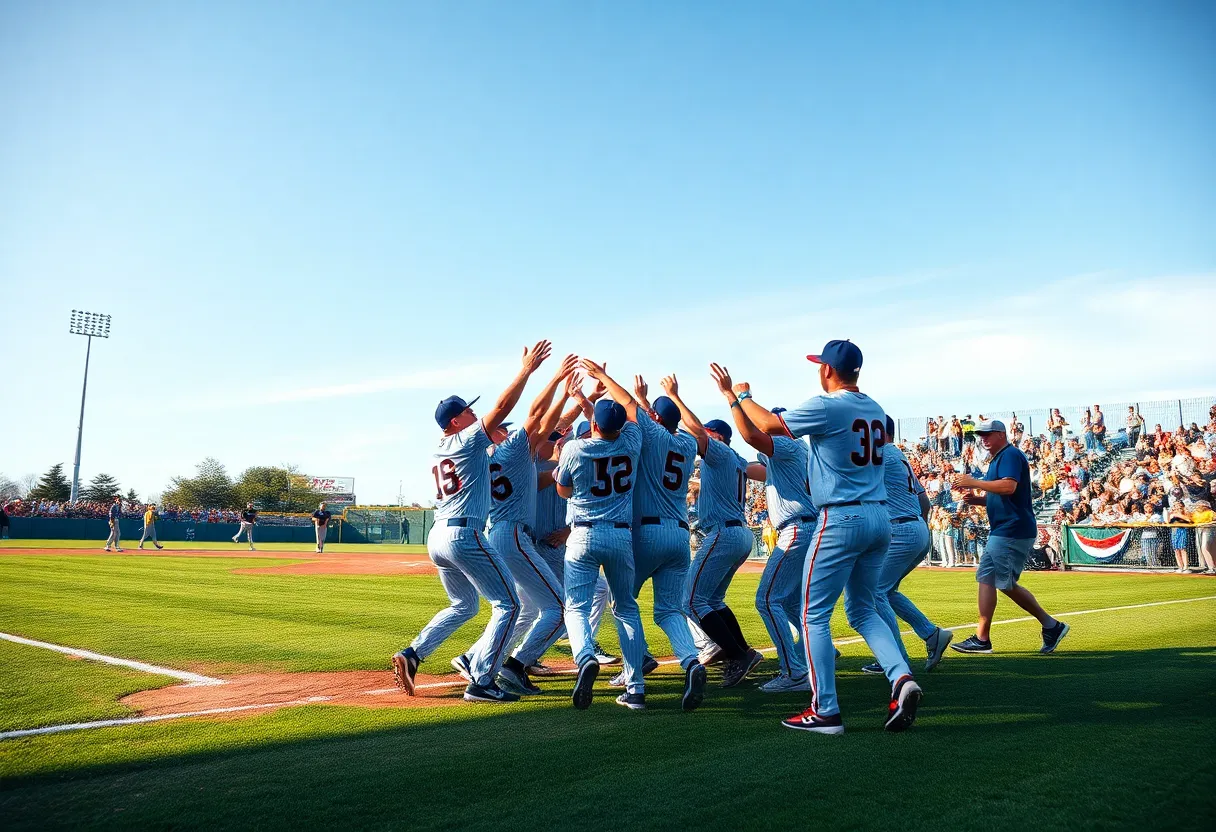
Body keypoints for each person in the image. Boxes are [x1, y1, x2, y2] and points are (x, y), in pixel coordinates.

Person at [731, 339, 922, 734]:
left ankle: (826, 710)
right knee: (863, 609)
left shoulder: (828, 405)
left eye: (821, 365)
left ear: (828, 370)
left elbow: (767, 425)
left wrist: (741, 396)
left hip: (841, 516)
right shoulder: (874, 407)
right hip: (879, 516)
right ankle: (901, 676)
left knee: (813, 614)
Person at [392, 339, 550, 704]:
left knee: (464, 606)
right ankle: (481, 680)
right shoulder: (464, 441)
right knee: (509, 604)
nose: (472, 414)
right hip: (464, 533)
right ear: (454, 422)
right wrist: (526, 371)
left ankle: (413, 653)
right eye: (466, 411)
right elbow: (502, 406)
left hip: (439, 535)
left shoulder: (440, 449)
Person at [588, 366, 707, 711]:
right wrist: (672, 396)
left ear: (654, 417)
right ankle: (691, 661)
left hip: (647, 533)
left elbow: (625, 404)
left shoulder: (650, 434)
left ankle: (634, 682)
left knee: (624, 604)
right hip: (679, 533)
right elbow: (696, 430)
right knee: (669, 610)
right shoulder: (685, 441)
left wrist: (602, 376)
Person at [709, 362, 816, 693]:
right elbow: (753, 469)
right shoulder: (794, 453)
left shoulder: (785, 443)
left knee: (766, 600)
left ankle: (794, 672)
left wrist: (733, 396)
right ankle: (812, 658)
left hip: (797, 529)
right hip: (804, 527)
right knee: (789, 603)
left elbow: (751, 433)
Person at [662, 374, 765, 690]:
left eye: (707, 433)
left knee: (690, 600)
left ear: (717, 436)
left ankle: (737, 655)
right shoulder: (733, 458)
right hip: (736, 532)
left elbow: (695, 430)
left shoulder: (719, 452)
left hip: (724, 532)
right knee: (713, 600)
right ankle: (742, 651)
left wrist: (675, 398)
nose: (700, 436)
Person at [485, 355, 580, 697]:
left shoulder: (494, 457)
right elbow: (540, 417)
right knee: (556, 608)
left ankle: (484, 663)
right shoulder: (511, 451)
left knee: (519, 607)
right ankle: (514, 665)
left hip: (504, 532)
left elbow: (540, 474)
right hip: (513, 533)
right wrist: (557, 383)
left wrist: (556, 468)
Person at [554, 372, 648, 711]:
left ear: (593, 423)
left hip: (582, 532)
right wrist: (604, 380)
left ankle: (585, 657)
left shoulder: (574, 448)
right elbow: (630, 406)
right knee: (626, 608)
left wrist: (584, 398)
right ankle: (636, 688)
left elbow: (562, 489)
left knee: (576, 607)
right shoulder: (631, 441)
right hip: (620, 534)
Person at [949, 420, 1070, 655]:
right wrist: (980, 500)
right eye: (980, 435)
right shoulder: (999, 458)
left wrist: (973, 482)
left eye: (988, 434)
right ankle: (983, 638)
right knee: (988, 579)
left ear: (1002, 434)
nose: (983, 438)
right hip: (1005, 529)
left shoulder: (1010, 455)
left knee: (1003, 583)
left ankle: (1050, 625)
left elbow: (1008, 488)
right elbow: (1005, 494)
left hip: (1012, 529)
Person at [861, 416, 952, 675]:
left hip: (901, 528)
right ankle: (930, 634)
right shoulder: (899, 457)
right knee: (886, 591)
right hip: (915, 527)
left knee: (874, 592)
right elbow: (925, 503)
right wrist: (917, 529)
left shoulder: (879, 454)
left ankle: (895, 658)